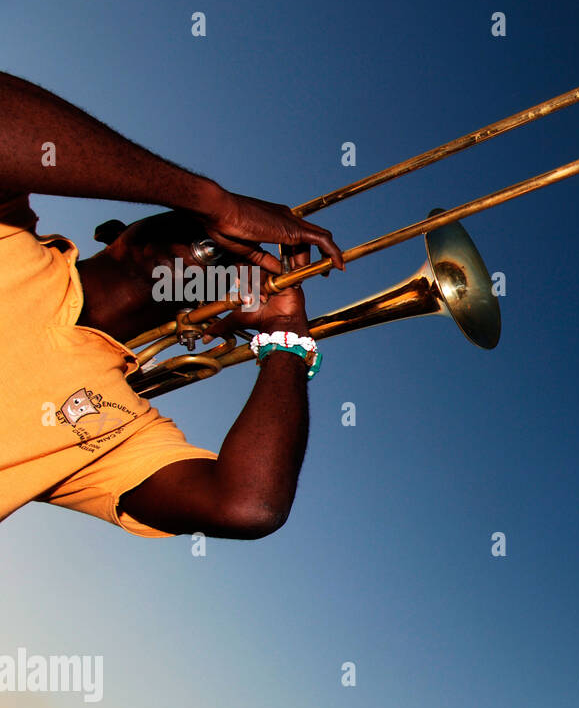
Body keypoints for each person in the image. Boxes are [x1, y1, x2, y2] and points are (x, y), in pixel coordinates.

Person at [0, 69, 345, 539]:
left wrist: (286, 336)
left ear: (205, 310)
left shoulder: (117, 423)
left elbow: (247, 505)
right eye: (197, 228)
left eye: (223, 259)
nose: (207, 247)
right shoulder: (11, 231)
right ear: (119, 233)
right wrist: (210, 200)